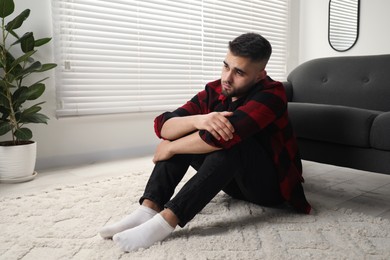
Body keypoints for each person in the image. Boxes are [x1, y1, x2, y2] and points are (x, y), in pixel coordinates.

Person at [99, 32, 311, 252]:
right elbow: (165, 124)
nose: (227, 77)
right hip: (233, 183)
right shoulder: (216, 90)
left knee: (232, 141)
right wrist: (200, 120)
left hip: (270, 188)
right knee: (185, 129)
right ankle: (148, 210)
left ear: (259, 75)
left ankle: (166, 221)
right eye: (226, 66)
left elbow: (220, 138)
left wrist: (170, 147)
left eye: (238, 72)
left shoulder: (273, 94)